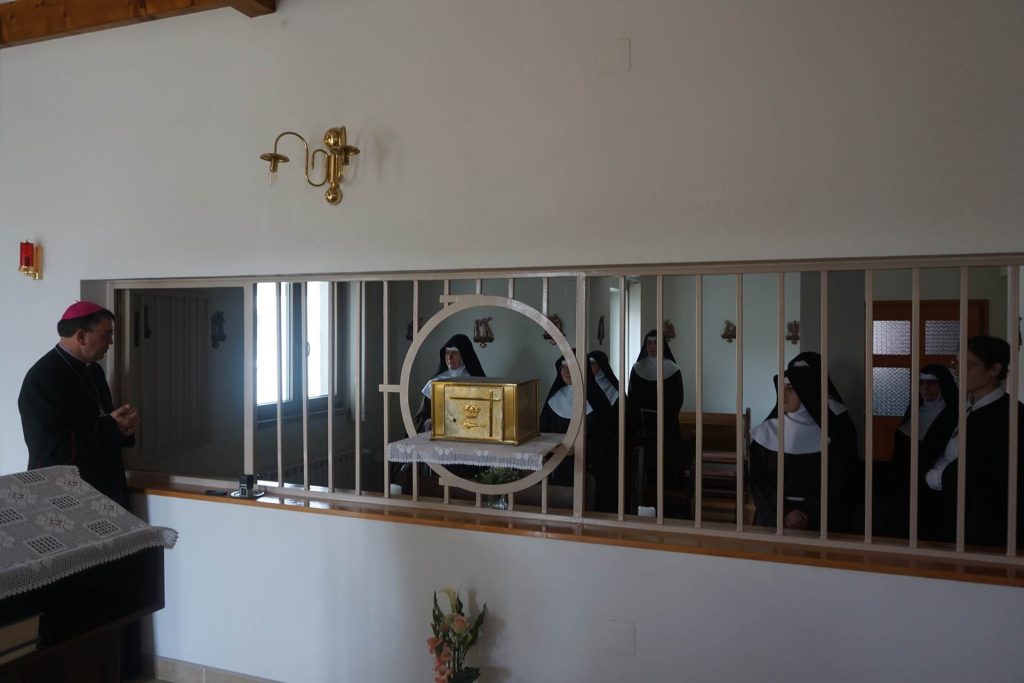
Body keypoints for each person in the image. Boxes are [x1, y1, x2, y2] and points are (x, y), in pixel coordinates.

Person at [18, 301, 139, 507]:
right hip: (63, 492)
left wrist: (123, 428)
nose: (110, 342)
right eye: (106, 335)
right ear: (81, 336)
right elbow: (51, 447)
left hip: (103, 483)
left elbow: (103, 417)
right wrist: (112, 427)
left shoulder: (94, 370)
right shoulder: (42, 378)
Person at [923, 335, 1024, 548]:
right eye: (956, 363)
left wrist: (936, 477)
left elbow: (983, 470)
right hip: (947, 515)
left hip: (987, 524)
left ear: (994, 369)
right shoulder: (958, 410)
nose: (958, 371)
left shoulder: (1011, 415)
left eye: (968, 365)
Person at [747, 362, 860, 533]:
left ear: (807, 391)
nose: (783, 393)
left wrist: (807, 512)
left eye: (791, 388)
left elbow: (835, 482)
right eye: (781, 388)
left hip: (816, 521)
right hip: (773, 519)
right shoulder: (765, 433)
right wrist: (784, 512)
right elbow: (757, 481)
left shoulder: (828, 437)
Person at [882, 365, 959, 540]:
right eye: (921, 382)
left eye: (932, 382)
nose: (926, 388)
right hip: (905, 488)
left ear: (943, 385)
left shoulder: (953, 416)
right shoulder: (913, 412)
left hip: (936, 489)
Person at [539, 351, 615, 511]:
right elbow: (542, 432)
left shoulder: (598, 401)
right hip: (557, 468)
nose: (566, 371)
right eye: (563, 367)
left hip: (589, 468)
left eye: (571, 366)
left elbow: (607, 438)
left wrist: (580, 448)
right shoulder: (554, 399)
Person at [626, 330, 688, 514]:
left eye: (656, 343)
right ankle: (642, 503)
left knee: (667, 463)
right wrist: (638, 422)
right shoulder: (637, 368)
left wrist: (665, 420)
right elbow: (632, 398)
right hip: (643, 426)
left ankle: (670, 506)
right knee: (645, 464)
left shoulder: (673, 369)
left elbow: (678, 398)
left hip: (667, 425)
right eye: (649, 343)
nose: (652, 346)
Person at [412, 333, 486, 433]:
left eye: (454, 353)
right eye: (447, 352)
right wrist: (429, 422)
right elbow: (423, 416)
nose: (449, 357)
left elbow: (485, 413)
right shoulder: (435, 382)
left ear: (464, 355)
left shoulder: (477, 382)